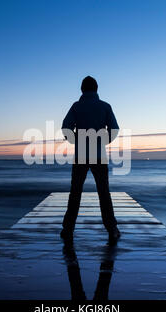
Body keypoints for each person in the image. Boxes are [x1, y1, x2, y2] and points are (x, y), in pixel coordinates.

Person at [60, 76, 121, 243]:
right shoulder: (105, 106)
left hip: (80, 155)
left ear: (82, 89)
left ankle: (68, 229)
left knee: (75, 192)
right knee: (103, 192)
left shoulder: (76, 106)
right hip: (99, 155)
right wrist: (101, 141)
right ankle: (112, 228)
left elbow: (65, 127)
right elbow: (114, 129)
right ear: (96, 89)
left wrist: (75, 140)